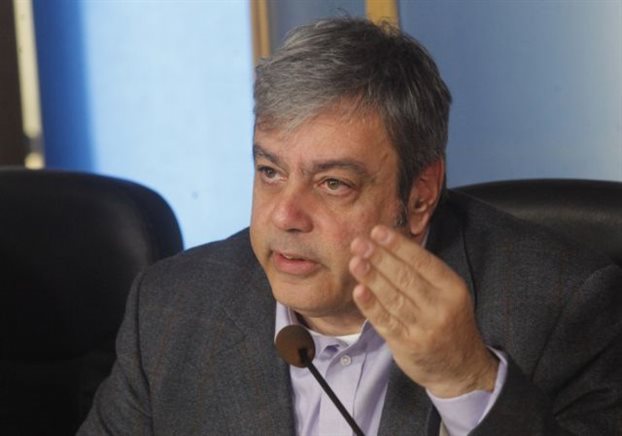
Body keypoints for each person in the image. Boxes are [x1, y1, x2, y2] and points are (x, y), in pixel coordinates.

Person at [79, 17, 622, 435]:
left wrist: (466, 381)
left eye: (332, 183)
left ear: (419, 196)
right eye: (270, 172)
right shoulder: (171, 309)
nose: (284, 216)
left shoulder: (561, 307)